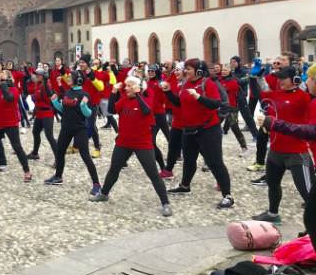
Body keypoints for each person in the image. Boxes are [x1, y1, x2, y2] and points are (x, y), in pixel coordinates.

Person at [91, 77, 172, 216]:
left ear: (138, 87)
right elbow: (111, 110)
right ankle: (104, 193)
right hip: (123, 142)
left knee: (153, 174)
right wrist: (113, 92)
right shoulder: (124, 99)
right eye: (126, 86)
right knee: (114, 169)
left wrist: (139, 94)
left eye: (129, 86)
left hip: (143, 143)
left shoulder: (146, 98)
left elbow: (146, 111)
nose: (126, 88)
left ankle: (165, 203)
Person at [161, 59, 234, 209]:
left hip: (208, 130)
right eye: (185, 69)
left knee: (215, 162)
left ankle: (227, 196)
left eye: (188, 69)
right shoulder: (186, 84)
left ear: (198, 71)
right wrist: (168, 92)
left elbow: (215, 103)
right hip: (189, 129)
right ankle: (185, 186)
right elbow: (179, 103)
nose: (185, 71)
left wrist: (198, 97)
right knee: (189, 160)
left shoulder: (207, 83)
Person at [251, 66, 312, 224]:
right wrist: (255, 77)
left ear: (295, 80)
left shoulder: (303, 97)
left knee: (309, 193)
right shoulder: (275, 94)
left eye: (283, 78)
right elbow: (261, 94)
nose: (279, 81)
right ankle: (273, 214)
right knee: (273, 185)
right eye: (278, 78)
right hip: (276, 151)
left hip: (297, 153)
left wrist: (304, 85)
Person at [44, 70, 101, 195]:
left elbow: (88, 114)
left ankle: (96, 184)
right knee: (60, 152)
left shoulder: (84, 94)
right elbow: (63, 110)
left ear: (78, 79)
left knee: (85, 156)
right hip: (66, 128)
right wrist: (55, 102)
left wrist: (83, 106)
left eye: (71, 77)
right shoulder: (68, 92)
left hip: (80, 129)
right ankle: (58, 177)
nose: (68, 78)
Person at [27, 68, 57, 163]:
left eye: (38, 75)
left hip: (47, 113)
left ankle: (59, 158)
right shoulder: (38, 85)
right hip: (39, 113)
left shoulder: (46, 86)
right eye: (36, 75)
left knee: (49, 136)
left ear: (43, 76)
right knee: (35, 132)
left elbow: (49, 97)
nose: (36, 76)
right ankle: (35, 153)